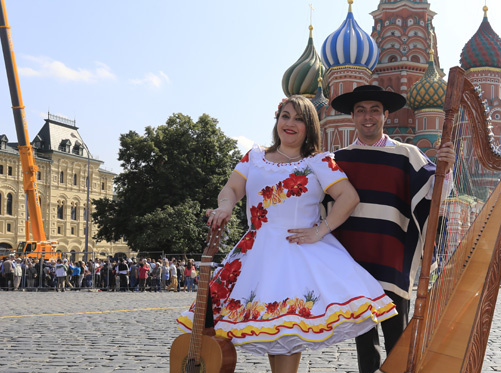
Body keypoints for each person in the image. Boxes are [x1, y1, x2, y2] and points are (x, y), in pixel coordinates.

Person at [177, 95, 398, 373]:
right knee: (274, 333)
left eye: (299, 119)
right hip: (255, 254)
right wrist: (224, 207)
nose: (290, 124)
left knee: (288, 331)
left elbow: (348, 197)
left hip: (297, 253)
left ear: (309, 127)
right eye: (285, 116)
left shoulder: (318, 162)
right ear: (277, 119)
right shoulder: (254, 157)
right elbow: (231, 189)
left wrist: (320, 230)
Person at [329, 85, 456, 373]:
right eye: (360, 111)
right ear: (352, 117)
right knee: (365, 343)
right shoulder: (339, 159)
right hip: (354, 265)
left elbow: (438, 192)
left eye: (375, 110)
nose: (368, 117)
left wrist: (445, 167)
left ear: (386, 115)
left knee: (397, 341)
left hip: (394, 261)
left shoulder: (407, 154)